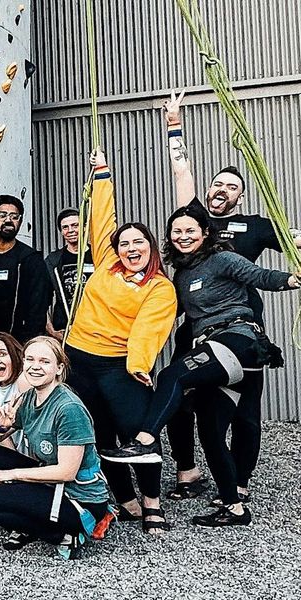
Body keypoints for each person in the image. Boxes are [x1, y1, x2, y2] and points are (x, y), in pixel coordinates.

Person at [102, 204, 299, 527]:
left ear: (205, 233)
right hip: (221, 356)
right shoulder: (181, 275)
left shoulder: (221, 258)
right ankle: (234, 507)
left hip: (237, 339)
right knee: (210, 431)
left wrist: (291, 279)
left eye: (190, 230)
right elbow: (163, 312)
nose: (183, 236)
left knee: (172, 375)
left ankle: (145, 440)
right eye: (176, 232)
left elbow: (258, 275)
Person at [160, 90, 301, 502]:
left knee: (245, 413)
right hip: (197, 327)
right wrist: (174, 124)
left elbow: (293, 243)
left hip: (242, 330)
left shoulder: (255, 225)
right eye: (218, 183)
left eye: (232, 186)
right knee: (181, 397)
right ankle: (186, 472)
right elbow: (181, 173)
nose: (223, 189)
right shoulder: (195, 221)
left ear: (241, 195)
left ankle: (237, 483)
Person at [63, 150, 176, 535]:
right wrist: (101, 173)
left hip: (120, 364)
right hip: (79, 358)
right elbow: (102, 218)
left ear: (150, 247)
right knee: (98, 434)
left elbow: (149, 328)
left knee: (136, 434)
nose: (130, 248)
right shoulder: (108, 263)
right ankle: (125, 499)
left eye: (138, 242)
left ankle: (152, 503)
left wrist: (139, 365)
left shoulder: (160, 288)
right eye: (124, 242)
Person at [0, 337, 112, 560]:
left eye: (44, 361)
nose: (35, 366)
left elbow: (66, 472)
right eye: (30, 359)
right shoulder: (29, 398)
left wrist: (13, 475)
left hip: (79, 497)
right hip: (50, 481)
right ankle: (33, 518)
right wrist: (3, 424)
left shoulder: (69, 409)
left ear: (59, 368)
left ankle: (67, 534)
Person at [0, 195, 53, 342]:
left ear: (20, 222)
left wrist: (29, 341)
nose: (8, 220)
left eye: (14, 216)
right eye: (2, 215)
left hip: (17, 340)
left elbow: (39, 305)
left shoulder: (31, 258)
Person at [45, 208, 93, 341]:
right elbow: (41, 300)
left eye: (75, 225)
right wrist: (52, 331)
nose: (70, 230)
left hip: (95, 329)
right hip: (65, 330)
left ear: (85, 227)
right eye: (65, 227)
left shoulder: (98, 256)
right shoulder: (53, 260)